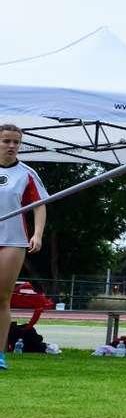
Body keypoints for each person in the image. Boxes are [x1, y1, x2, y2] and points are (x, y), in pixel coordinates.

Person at [0, 124, 48, 370]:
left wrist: (37, 234)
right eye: (6, 141)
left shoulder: (26, 173)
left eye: (15, 142)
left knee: (2, 298)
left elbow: (40, 204)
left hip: (13, 241)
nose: (11, 146)